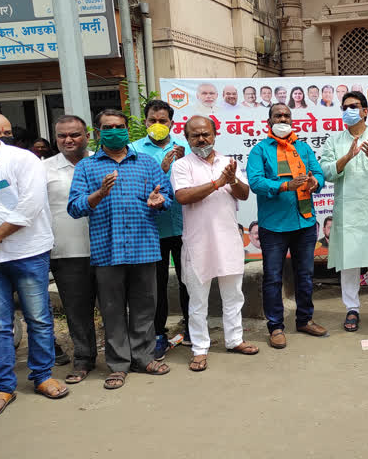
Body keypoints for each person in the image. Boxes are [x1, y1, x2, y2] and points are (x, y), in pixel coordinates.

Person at [68, 109, 173, 389]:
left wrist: (158, 201)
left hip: (144, 247)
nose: (115, 131)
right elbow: (74, 207)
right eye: (108, 127)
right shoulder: (87, 168)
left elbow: (169, 199)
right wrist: (98, 194)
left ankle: (143, 357)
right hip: (107, 250)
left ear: (127, 129)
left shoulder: (148, 163)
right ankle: (118, 365)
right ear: (99, 132)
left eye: (119, 126)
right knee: (112, 310)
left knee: (144, 307)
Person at [0, 114, 68, 419]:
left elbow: (31, 204)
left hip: (27, 252)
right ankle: (3, 386)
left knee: (38, 318)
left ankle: (42, 376)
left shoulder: (23, 160)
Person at [172, 115, 259, 372]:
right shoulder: (182, 165)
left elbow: (244, 194)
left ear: (215, 134)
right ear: (187, 138)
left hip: (228, 240)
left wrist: (231, 180)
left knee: (233, 295)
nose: (202, 139)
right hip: (198, 243)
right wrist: (216, 183)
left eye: (206, 134)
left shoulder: (229, 163)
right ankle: (200, 348)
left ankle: (234, 339)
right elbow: (183, 196)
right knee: (197, 300)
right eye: (195, 135)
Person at [247, 103, 326, 349]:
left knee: (305, 274)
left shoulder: (302, 148)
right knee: (273, 278)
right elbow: (256, 182)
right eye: (277, 115)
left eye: (286, 115)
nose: (282, 118)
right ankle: (276, 327)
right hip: (274, 226)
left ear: (292, 119)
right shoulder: (260, 150)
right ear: (269, 121)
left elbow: (319, 174)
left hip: (304, 221)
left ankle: (304, 319)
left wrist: (315, 182)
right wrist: (284, 186)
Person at [320, 91, 368, 332]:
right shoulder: (334, 141)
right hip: (347, 209)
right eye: (344, 107)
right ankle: (351, 308)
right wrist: (348, 156)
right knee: (348, 260)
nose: (348, 111)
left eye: (353, 106)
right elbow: (327, 172)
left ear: (365, 111)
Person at [132, 100, 192, 357]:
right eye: (152, 121)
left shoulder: (186, 147)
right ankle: (158, 333)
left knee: (188, 280)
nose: (157, 125)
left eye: (162, 121)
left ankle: (192, 327)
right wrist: (162, 170)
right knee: (155, 285)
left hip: (184, 226)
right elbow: (132, 187)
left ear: (172, 123)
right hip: (151, 229)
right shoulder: (133, 149)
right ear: (145, 123)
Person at [44, 115, 97, 384]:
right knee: (77, 311)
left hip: (108, 248)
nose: (68, 140)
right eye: (62, 135)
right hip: (67, 251)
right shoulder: (44, 169)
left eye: (74, 134)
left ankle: (119, 356)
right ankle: (84, 358)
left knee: (114, 308)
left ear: (86, 135)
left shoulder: (103, 161)